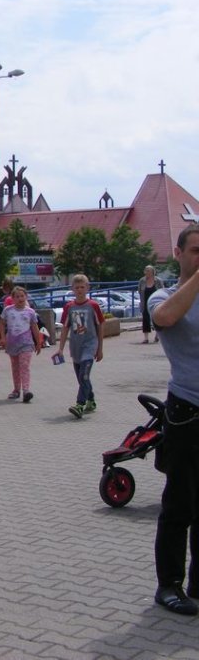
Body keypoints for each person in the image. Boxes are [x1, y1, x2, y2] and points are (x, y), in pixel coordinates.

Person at [149, 224, 199, 615]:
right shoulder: (164, 295)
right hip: (187, 411)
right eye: (197, 251)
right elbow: (164, 318)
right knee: (180, 504)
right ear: (179, 254)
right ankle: (168, 585)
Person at [55, 274, 105, 419]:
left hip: (90, 346)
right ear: (72, 289)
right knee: (82, 378)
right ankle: (91, 400)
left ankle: (79, 404)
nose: (79, 290)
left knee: (84, 375)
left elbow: (100, 325)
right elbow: (65, 328)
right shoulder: (69, 307)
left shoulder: (93, 306)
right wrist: (60, 348)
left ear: (87, 288)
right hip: (76, 346)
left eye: (82, 287)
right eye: (77, 288)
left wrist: (100, 348)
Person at [0, 286, 43, 403]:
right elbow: (1, 324)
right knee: (15, 367)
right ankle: (16, 390)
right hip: (12, 342)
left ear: (26, 297)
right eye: (17, 296)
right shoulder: (8, 310)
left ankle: (26, 391)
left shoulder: (30, 312)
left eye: (22, 296)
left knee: (24, 366)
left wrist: (38, 342)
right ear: (12, 299)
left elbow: (35, 327)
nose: (20, 298)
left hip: (26, 343)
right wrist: (2, 337)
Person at [139, 265, 165, 344]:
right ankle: (146, 338)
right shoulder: (142, 281)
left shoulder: (158, 280)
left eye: (148, 271)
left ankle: (157, 335)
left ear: (153, 272)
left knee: (156, 318)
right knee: (145, 319)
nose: (146, 272)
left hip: (156, 303)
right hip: (145, 302)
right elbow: (139, 291)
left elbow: (162, 290)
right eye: (146, 270)